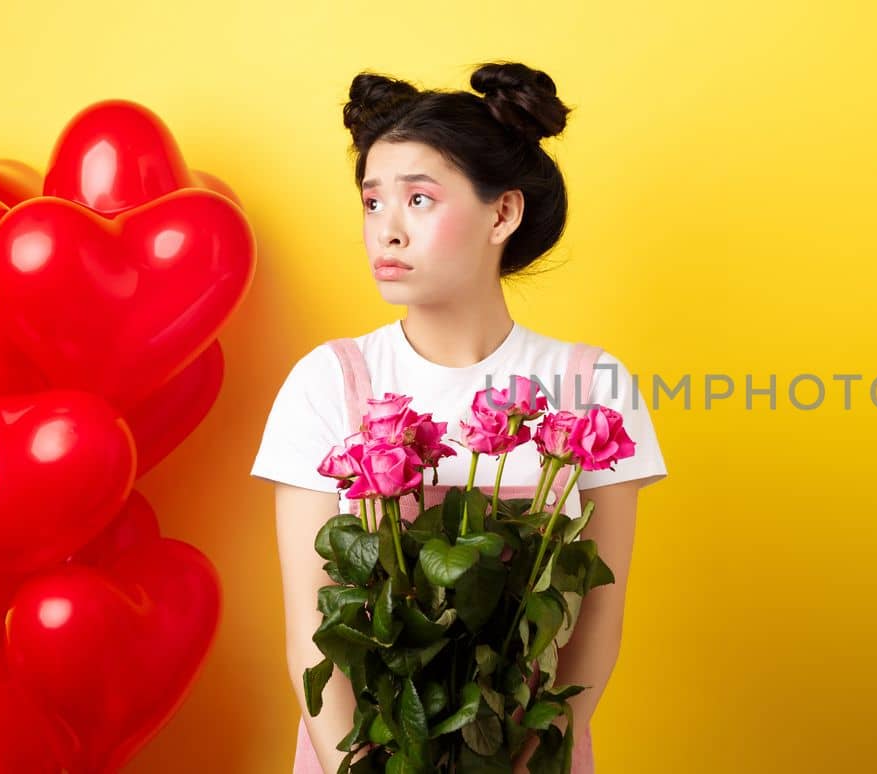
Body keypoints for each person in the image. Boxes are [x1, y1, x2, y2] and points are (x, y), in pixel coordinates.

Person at [250, 62, 668, 773]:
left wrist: (527, 753)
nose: (387, 232)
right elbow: (314, 627)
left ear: (501, 214)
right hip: (360, 752)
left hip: (524, 753)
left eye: (418, 200)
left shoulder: (590, 386)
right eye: (373, 203)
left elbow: (597, 616)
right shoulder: (331, 382)